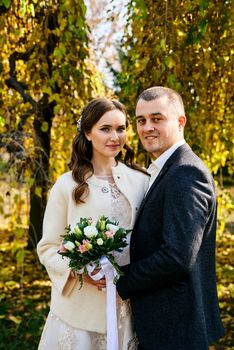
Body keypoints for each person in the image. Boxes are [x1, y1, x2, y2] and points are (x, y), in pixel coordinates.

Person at [116, 86, 225, 350]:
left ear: (180, 121)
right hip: (165, 326)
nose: (147, 127)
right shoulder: (166, 169)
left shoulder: (185, 172)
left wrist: (121, 280)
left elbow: (177, 257)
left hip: (175, 329)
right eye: (141, 120)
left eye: (157, 118)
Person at [37, 98, 149, 350]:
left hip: (128, 306)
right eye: (105, 129)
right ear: (87, 133)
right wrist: (80, 271)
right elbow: (48, 247)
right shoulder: (67, 185)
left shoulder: (142, 179)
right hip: (79, 310)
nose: (115, 137)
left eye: (121, 129)